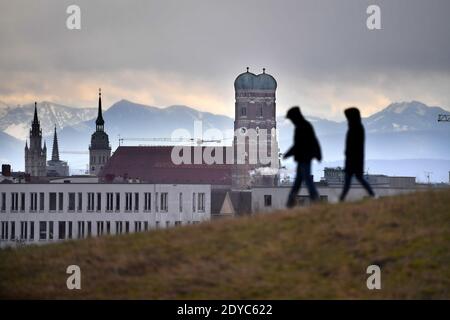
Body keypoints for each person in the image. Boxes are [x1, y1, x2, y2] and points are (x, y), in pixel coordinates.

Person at [284, 106, 322, 208]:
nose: (291, 121)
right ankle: (290, 203)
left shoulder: (302, 127)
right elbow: (313, 141)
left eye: (291, 118)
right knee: (298, 182)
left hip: (304, 159)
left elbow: (299, 145)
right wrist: (318, 154)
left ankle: (315, 200)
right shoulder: (305, 126)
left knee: (307, 181)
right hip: (303, 159)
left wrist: (288, 154)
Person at [339, 107, 375, 201]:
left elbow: (354, 145)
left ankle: (342, 198)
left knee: (352, 179)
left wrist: (348, 153)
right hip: (354, 159)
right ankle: (342, 198)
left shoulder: (356, 128)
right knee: (353, 179)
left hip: (354, 159)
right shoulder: (356, 127)